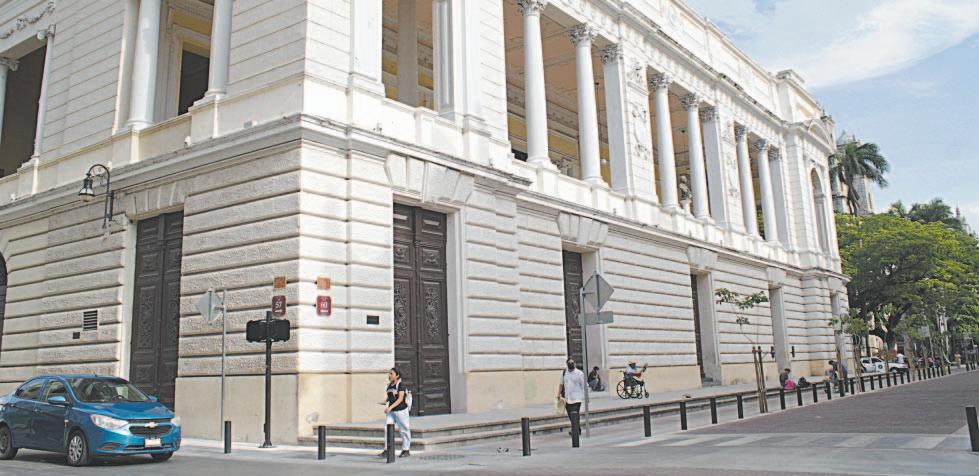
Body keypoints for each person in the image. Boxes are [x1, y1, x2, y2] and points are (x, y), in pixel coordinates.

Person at [380, 368, 410, 458]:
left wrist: (390, 407)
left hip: (401, 410)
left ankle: (406, 450)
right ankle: (387, 450)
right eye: (389, 373)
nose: (389, 375)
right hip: (392, 411)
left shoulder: (401, 385)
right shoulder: (389, 385)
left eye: (391, 373)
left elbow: (400, 399)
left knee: (404, 429)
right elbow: (390, 396)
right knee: (387, 428)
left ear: (397, 376)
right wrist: (385, 401)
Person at [558, 358, 586, 438]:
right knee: (571, 416)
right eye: (569, 363)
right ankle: (577, 429)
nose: (571, 364)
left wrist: (585, 397)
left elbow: (584, 385)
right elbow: (561, 384)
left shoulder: (579, 373)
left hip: (577, 399)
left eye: (572, 363)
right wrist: (558, 394)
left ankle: (575, 431)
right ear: (567, 364)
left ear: (575, 363)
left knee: (575, 415)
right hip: (567, 399)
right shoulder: (564, 373)